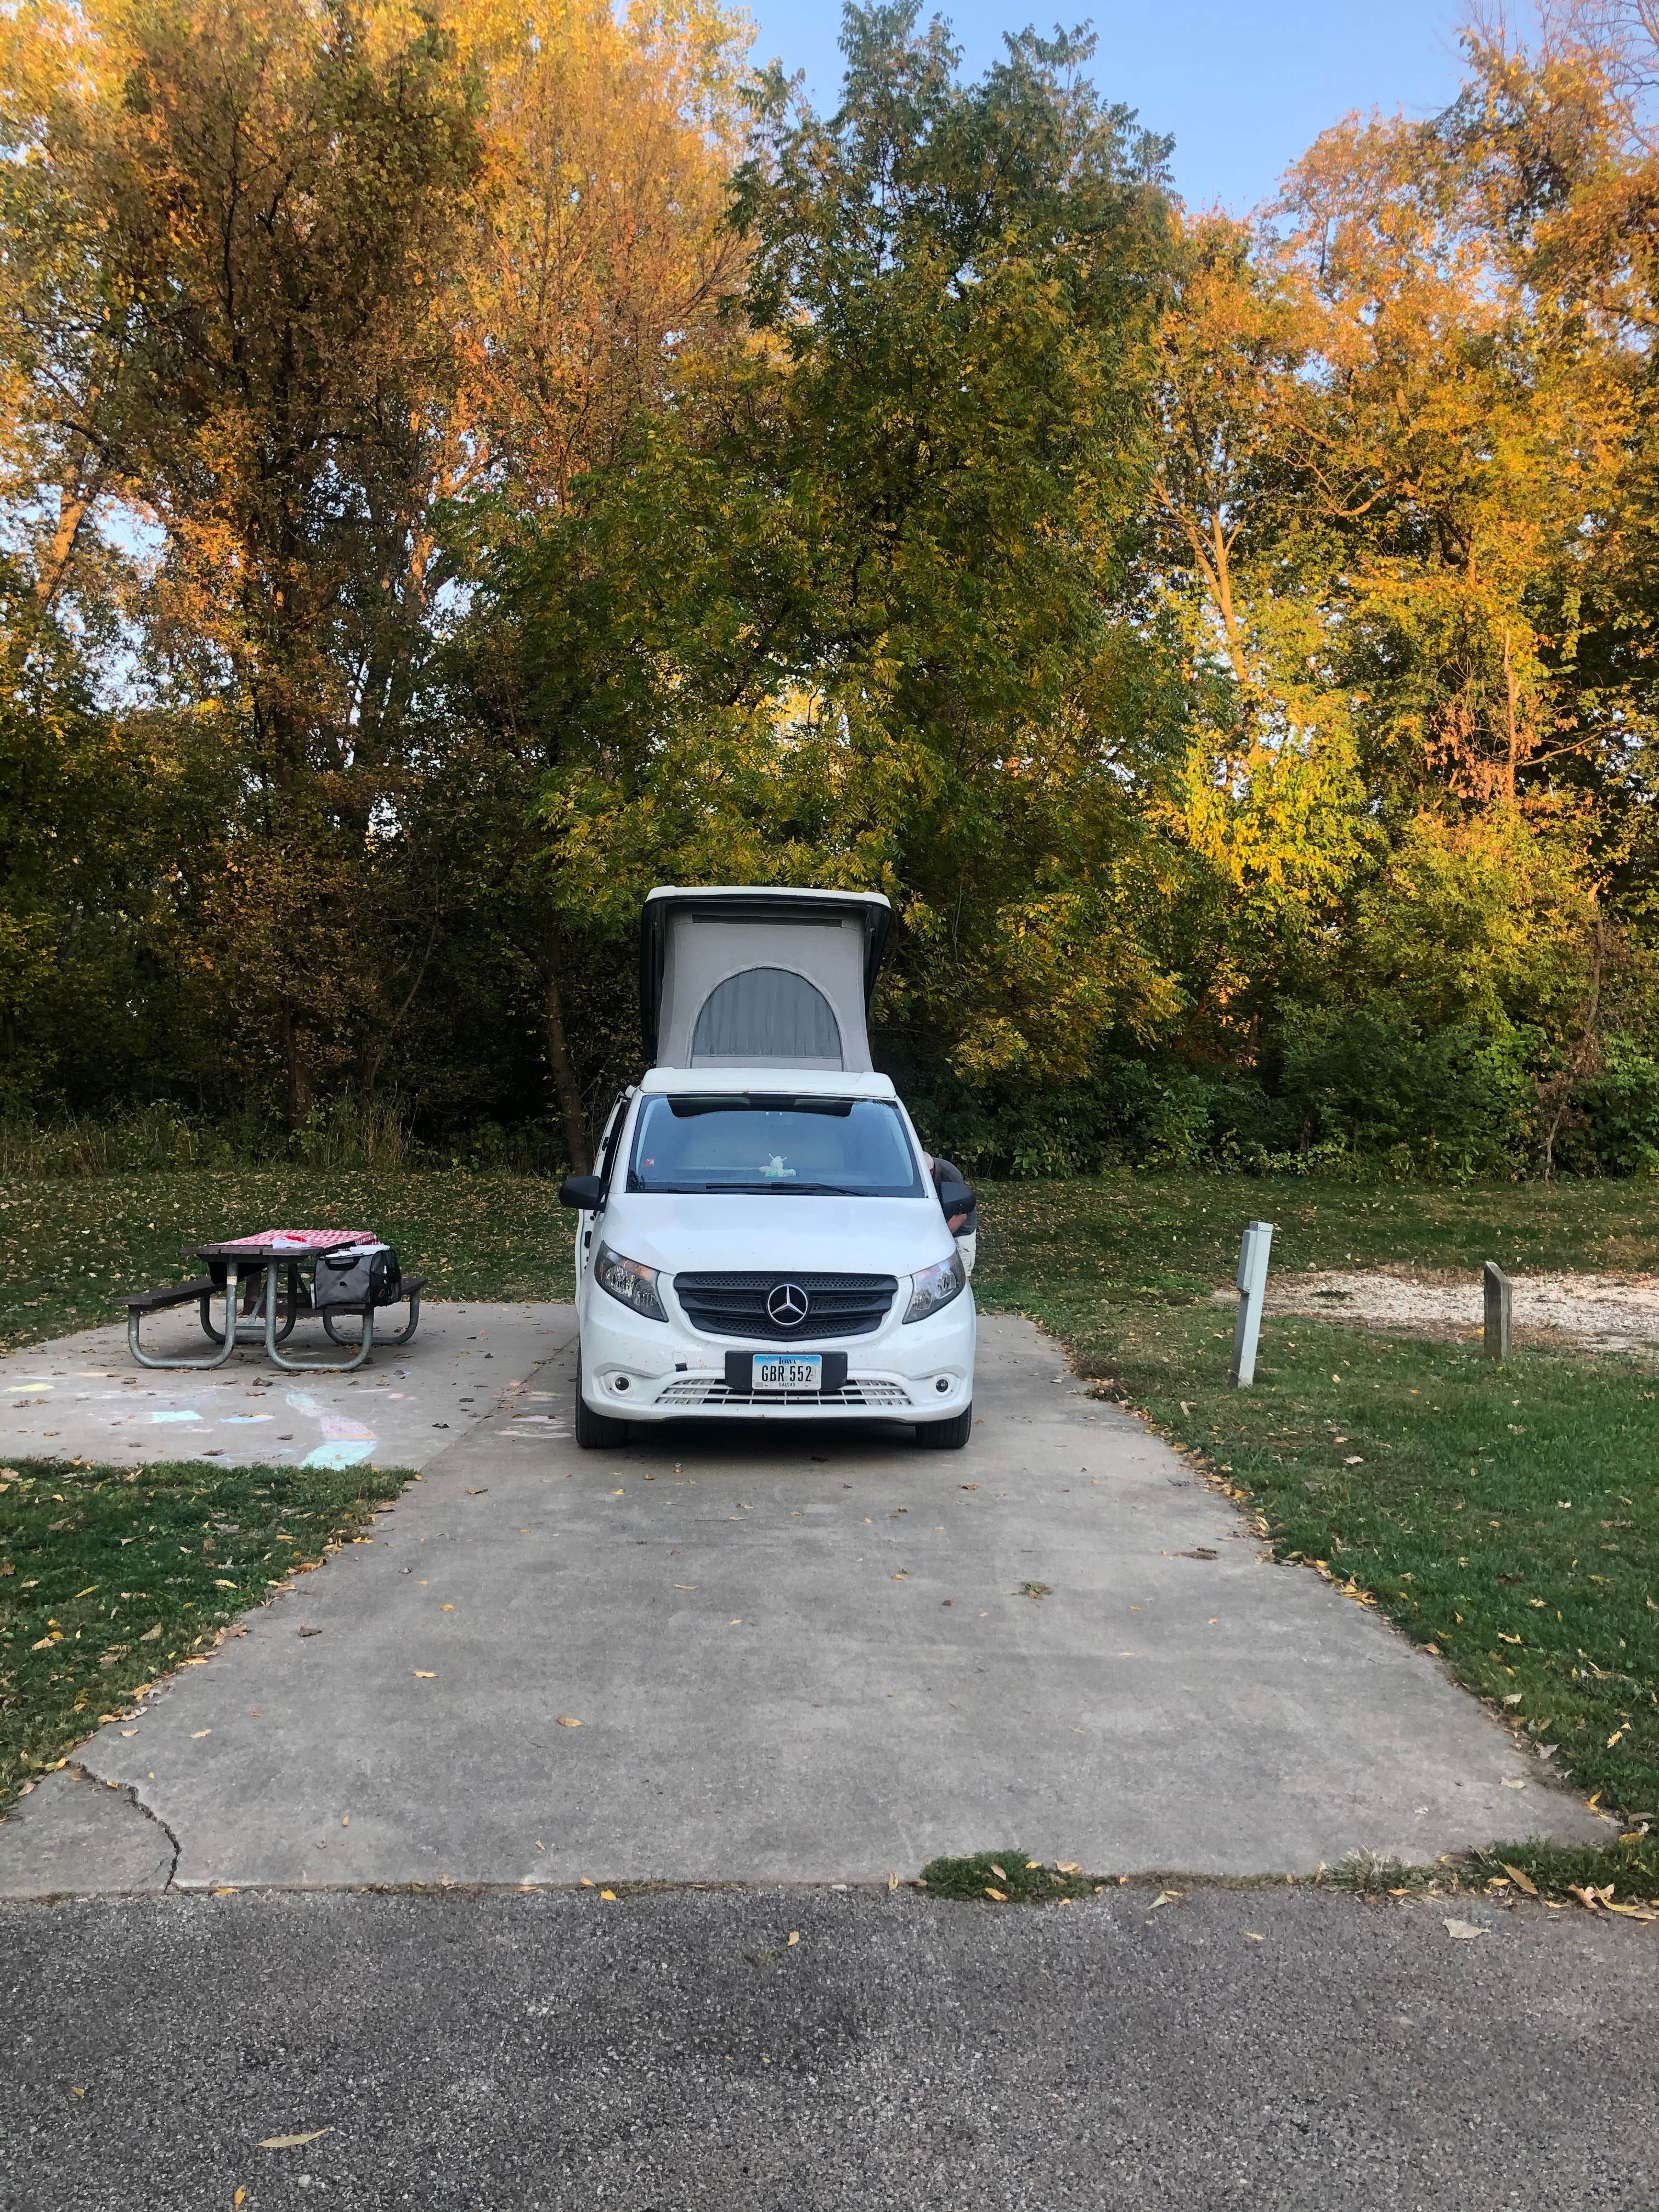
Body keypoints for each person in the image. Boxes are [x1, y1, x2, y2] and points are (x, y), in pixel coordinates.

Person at [924, 1153, 977, 1277]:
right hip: (935, 1229)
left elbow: (961, 1215)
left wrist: (940, 1239)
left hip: (960, 1230)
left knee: (961, 1275)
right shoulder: (919, 1170)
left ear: (931, 1171)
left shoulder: (950, 1175)